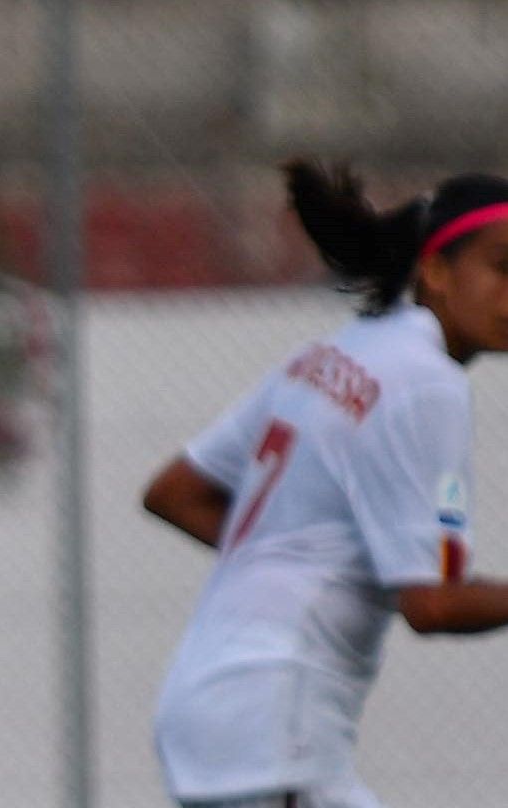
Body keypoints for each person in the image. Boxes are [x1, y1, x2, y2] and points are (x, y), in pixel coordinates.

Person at [144, 159, 508, 808]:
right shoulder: (428, 383)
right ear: (435, 270)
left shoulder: (335, 353)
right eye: (503, 266)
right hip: (273, 718)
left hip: (211, 696)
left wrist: (293, 553)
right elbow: (433, 604)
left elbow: (175, 493)